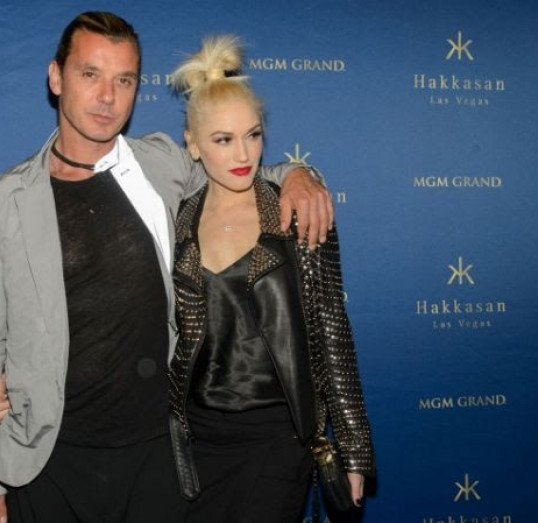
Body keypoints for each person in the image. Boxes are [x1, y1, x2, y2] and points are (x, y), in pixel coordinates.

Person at [0, 11, 334, 523]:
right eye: (90, 74)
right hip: (47, 460)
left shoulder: (161, 164)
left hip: (160, 455)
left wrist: (298, 174)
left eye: (124, 80)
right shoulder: (0, 203)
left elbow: (241, 171)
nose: (107, 97)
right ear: (55, 77)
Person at [165, 36, 374, 523]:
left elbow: (331, 329)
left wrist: (354, 447)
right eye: (223, 139)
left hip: (279, 435)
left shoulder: (296, 212)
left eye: (253, 135)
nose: (243, 153)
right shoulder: (175, 221)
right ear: (193, 145)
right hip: (197, 437)